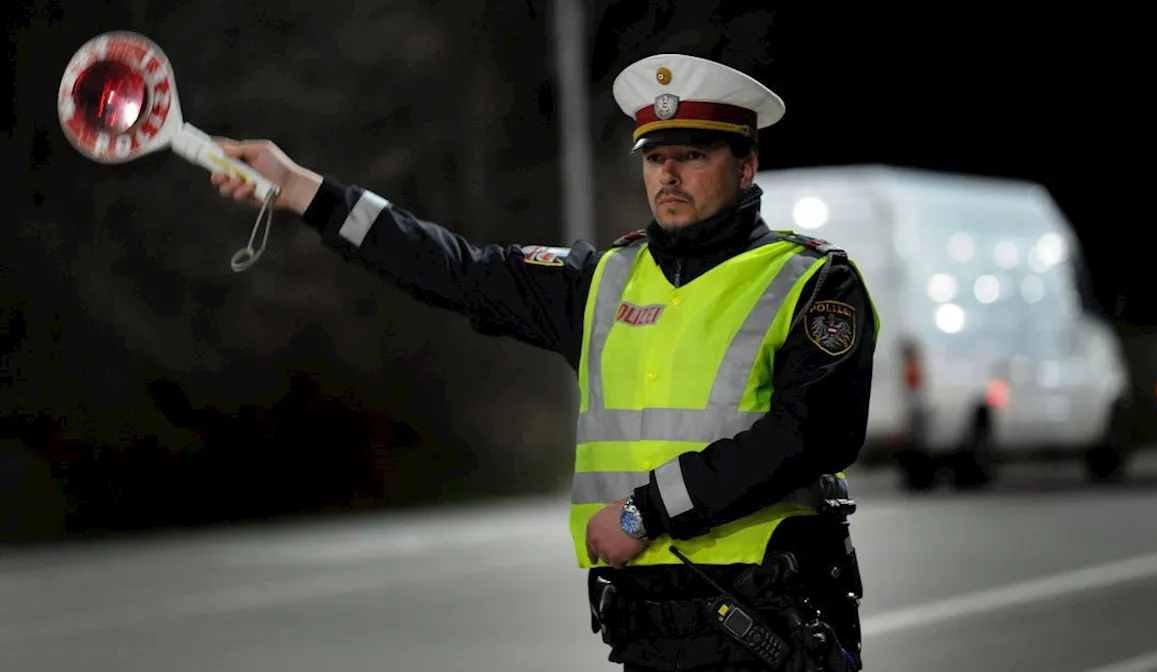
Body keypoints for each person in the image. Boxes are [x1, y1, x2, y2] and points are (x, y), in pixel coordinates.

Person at [210, 52, 877, 672]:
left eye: (693, 155)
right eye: (655, 157)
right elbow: (452, 268)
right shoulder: (601, 283)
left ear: (746, 165)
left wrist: (644, 512)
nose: (668, 175)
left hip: (769, 626)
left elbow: (810, 435)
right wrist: (303, 190)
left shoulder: (811, 281)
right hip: (649, 633)